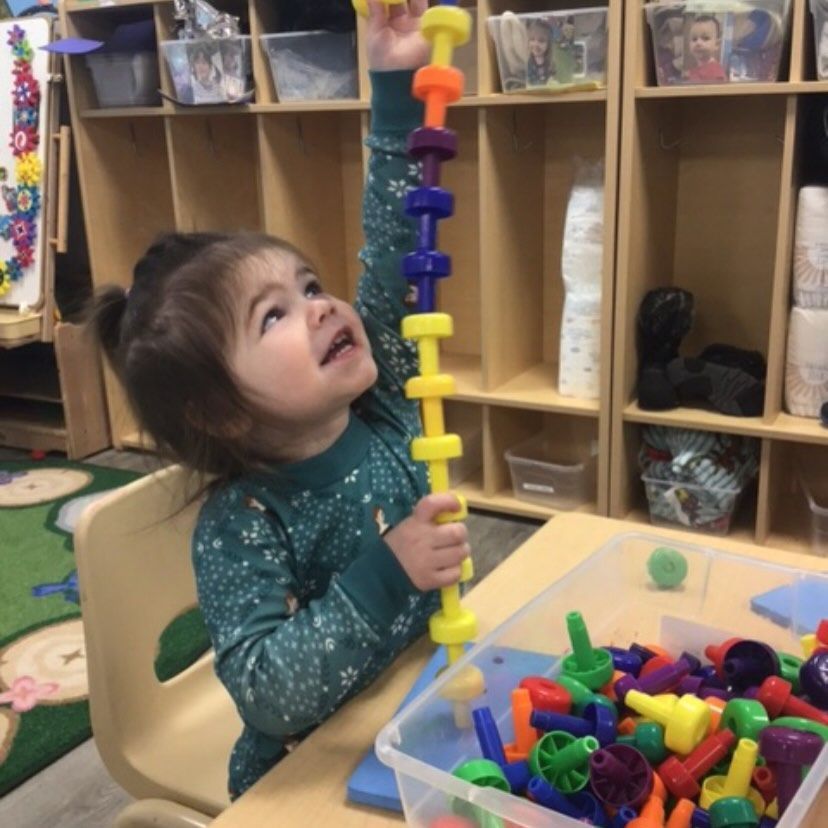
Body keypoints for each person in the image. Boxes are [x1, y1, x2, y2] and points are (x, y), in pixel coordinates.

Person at [90, 0, 470, 802]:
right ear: (223, 415)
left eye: (308, 286)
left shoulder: (386, 408)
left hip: (416, 701)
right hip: (306, 773)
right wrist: (389, 572)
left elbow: (402, 250)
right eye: (275, 317)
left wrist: (396, 86)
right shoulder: (243, 525)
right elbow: (267, 693)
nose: (323, 307)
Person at [686, 15, 726, 83]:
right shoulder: (694, 71)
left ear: (717, 44)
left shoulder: (716, 74)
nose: (698, 43)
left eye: (705, 38)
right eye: (694, 39)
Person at [526, 18, 553, 87]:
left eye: (541, 41)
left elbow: (552, 75)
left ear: (548, 44)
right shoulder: (527, 62)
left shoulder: (550, 61)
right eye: (532, 39)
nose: (536, 44)